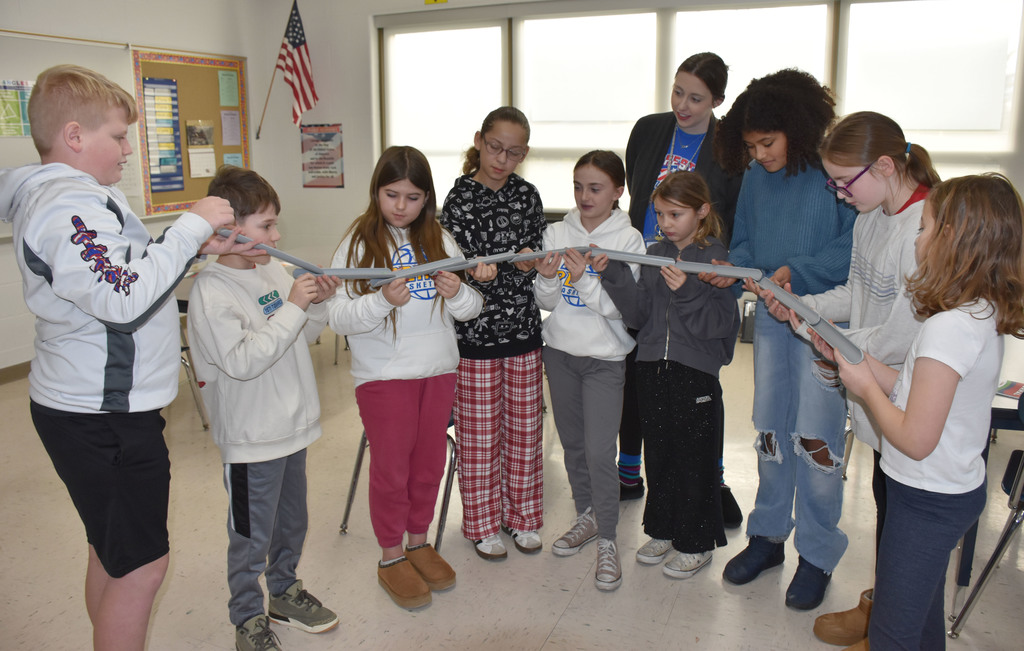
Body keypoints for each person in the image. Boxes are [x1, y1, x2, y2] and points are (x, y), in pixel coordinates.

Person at [0, 64, 250, 650]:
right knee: (142, 568)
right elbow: (121, 296)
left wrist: (187, 248)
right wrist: (189, 227)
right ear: (74, 135)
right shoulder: (65, 207)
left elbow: (129, 271)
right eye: (118, 136)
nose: (129, 150)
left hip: (99, 410)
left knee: (114, 555)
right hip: (101, 417)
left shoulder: (83, 199)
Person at [759, 112, 939, 646]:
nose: (839, 194)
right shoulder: (870, 218)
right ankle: (883, 608)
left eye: (844, 181)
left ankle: (895, 624)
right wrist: (802, 306)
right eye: (833, 183)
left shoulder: (926, 229)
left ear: (885, 165)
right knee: (891, 516)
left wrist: (834, 343)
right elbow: (858, 299)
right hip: (873, 390)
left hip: (904, 398)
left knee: (907, 528)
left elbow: (902, 334)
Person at [824, 173, 1024, 650]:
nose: (917, 236)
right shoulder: (978, 311)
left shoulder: (947, 329)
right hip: (948, 490)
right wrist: (861, 362)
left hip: (926, 497)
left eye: (925, 227)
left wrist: (864, 389)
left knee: (893, 633)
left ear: (950, 240)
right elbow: (922, 392)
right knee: (923, 621)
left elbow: (915, 437)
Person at [702, 69, 857, 611]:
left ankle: (817, 553)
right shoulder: (755, 179)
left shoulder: (832, 175)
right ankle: (767, 537)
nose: (759, 154)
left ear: (797, 129)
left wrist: (799, 271)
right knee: (770, 430)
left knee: (816, 440)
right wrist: (732, 268)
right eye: (749, 146)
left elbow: (851, 249)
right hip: (770, 317)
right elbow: (746, 243)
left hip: (822, 324)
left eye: (767, 143)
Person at [187, 166, 343, 650]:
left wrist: (315, 305)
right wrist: (295, 305)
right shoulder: (211, 291)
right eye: (266, 226)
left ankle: (284, 591)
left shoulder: (270, 269)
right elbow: (243, 362)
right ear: (226, 231)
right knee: (251, 536)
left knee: (292, 522)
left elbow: (304, 335)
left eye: (276, 225)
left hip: (290, 426)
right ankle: (247, 617)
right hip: (252, 438)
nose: (276, 237)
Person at [328, 146, 488, 610]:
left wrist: (459, 292)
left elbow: (471, 309)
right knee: (392, 469)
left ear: (427, 198)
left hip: (438, 370)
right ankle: (390, 555)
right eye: (391, 194)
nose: (401, 206)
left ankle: (418, 542)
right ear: (376, 191)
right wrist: (381, 302)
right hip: (384, 378)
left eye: (413, 197)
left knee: (428, 465)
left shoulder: (440, 239)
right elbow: (337, 317)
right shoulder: (358, 243)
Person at [622, 53, 744, 527]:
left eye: (696, 98)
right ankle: (631, 471)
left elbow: (729, 213)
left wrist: (716, 266)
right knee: (643, 372)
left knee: (695, 384)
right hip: (650, 265)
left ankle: (708, 481)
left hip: (699, 269)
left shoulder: (728, 145)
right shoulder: (649, 130)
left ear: (717, 100)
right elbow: (638, 197)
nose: (683, 105)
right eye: (678, 92)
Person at [600, 170, 739, 580]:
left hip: (694, 373)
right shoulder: (655, 252)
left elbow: (719, 325)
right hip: (649, 368)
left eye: (675, 214)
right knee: (658, 453)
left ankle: (696, 542)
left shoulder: (716, 260)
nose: (666, 223)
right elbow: (640, 315)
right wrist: (614, 274)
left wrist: (689, 291)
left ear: (702, 211)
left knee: (694, 459)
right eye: (660, 214)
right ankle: (662, 528)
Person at [534, 151, 645, 591]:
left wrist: (582, 279)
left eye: (595, 188)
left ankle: (608, 541)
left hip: (605, 360)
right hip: (559, 353)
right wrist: (546, 277)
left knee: (601, 452)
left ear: (618, 191)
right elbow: (546, 302)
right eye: (578, 186)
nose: (584, 196)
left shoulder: (630, 239)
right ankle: (587, 517)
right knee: (574, 447)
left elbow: (622, 312)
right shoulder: (557, 231)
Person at [439, 107, 547, 560]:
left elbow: (538, 254)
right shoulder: (459, 197)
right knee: (481, 437)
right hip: (475, 339)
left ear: (524, 154)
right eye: (495, 148)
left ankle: (521, 517)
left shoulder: (528, 195)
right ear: (480, 141)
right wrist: (484, 274)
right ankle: (482, 523)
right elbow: (455, 270)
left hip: (523, 331)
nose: (503, 159)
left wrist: (528, 262)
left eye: (514, 152)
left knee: (525, 432)